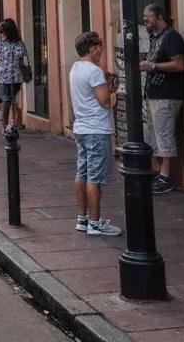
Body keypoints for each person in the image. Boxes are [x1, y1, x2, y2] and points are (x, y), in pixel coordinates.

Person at [70, 30, 122, 236]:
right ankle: (95, 222)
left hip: (81, 127)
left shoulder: (75, 68)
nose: (102, 51)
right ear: (92, 49)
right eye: (99, 47)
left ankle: (82, 218)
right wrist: (112, 93)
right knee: (94, 177)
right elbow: (104, 100)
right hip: (96, 129)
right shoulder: (93, 71)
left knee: (81, 172)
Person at [140, 3, 184, 194]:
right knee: (155, 134)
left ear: (159, 16)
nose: (145, 20)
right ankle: (159, 172)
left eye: (148, 17)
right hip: (155, 94)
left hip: (167, 94)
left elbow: (179, 64)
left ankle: (166, 177)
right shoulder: (155, 37)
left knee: (164, 133)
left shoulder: (171, 37)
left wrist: (153, 66)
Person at [0, 18, 29, 132]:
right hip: (3, 76)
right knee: (6, 101)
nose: (0, 34)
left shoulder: (18, 43)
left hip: (15, 76)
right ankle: (5, 126)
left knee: (13, 99)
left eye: (2, 31)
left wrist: (26, 69)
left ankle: (16, 121)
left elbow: (23, 57)